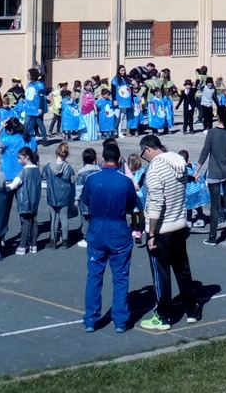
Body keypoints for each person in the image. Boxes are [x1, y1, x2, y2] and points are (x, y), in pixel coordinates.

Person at [138, 133, 199, 331]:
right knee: (182, 269)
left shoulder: (155, 169)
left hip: (163, 228)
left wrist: (152, 232)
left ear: (148, 150)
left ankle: (163, 315)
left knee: (161, 273)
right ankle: (192, 308)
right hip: (179, 223)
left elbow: (156, 203)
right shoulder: (179, 161)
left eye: (143, 154)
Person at [80, 140, 139, 333]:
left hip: (97, 229)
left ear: (102, 159)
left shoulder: (93, 179)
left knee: (94, 275)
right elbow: (133, 206)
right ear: (119, 159)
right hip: (118, 229)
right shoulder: (125, 181)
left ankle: (91, 318)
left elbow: (86, 202)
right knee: (120, 276)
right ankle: (120, 320)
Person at [197, 105, 226, 244]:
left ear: (218, 116)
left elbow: (205, 152)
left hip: (215, 172)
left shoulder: (212, 132)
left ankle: (212, 237)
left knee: (215, 206)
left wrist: (197, 169)